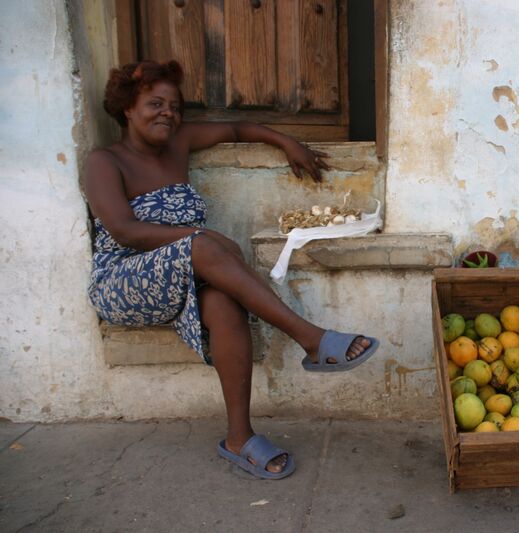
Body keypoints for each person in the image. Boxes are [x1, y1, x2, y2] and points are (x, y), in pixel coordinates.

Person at [84, 60, 379, 480]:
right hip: (123, 282)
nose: (168, 112)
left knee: (223, 302)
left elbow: (240, 130)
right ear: (126, 108)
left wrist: (285, 142)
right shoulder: (104, 161)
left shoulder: (179, 143)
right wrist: (199, 239)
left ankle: (239, 437)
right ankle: (310, 338)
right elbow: (124, 230)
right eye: (155, 103)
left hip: (180, 273)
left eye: (174, 105)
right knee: (206, 243)